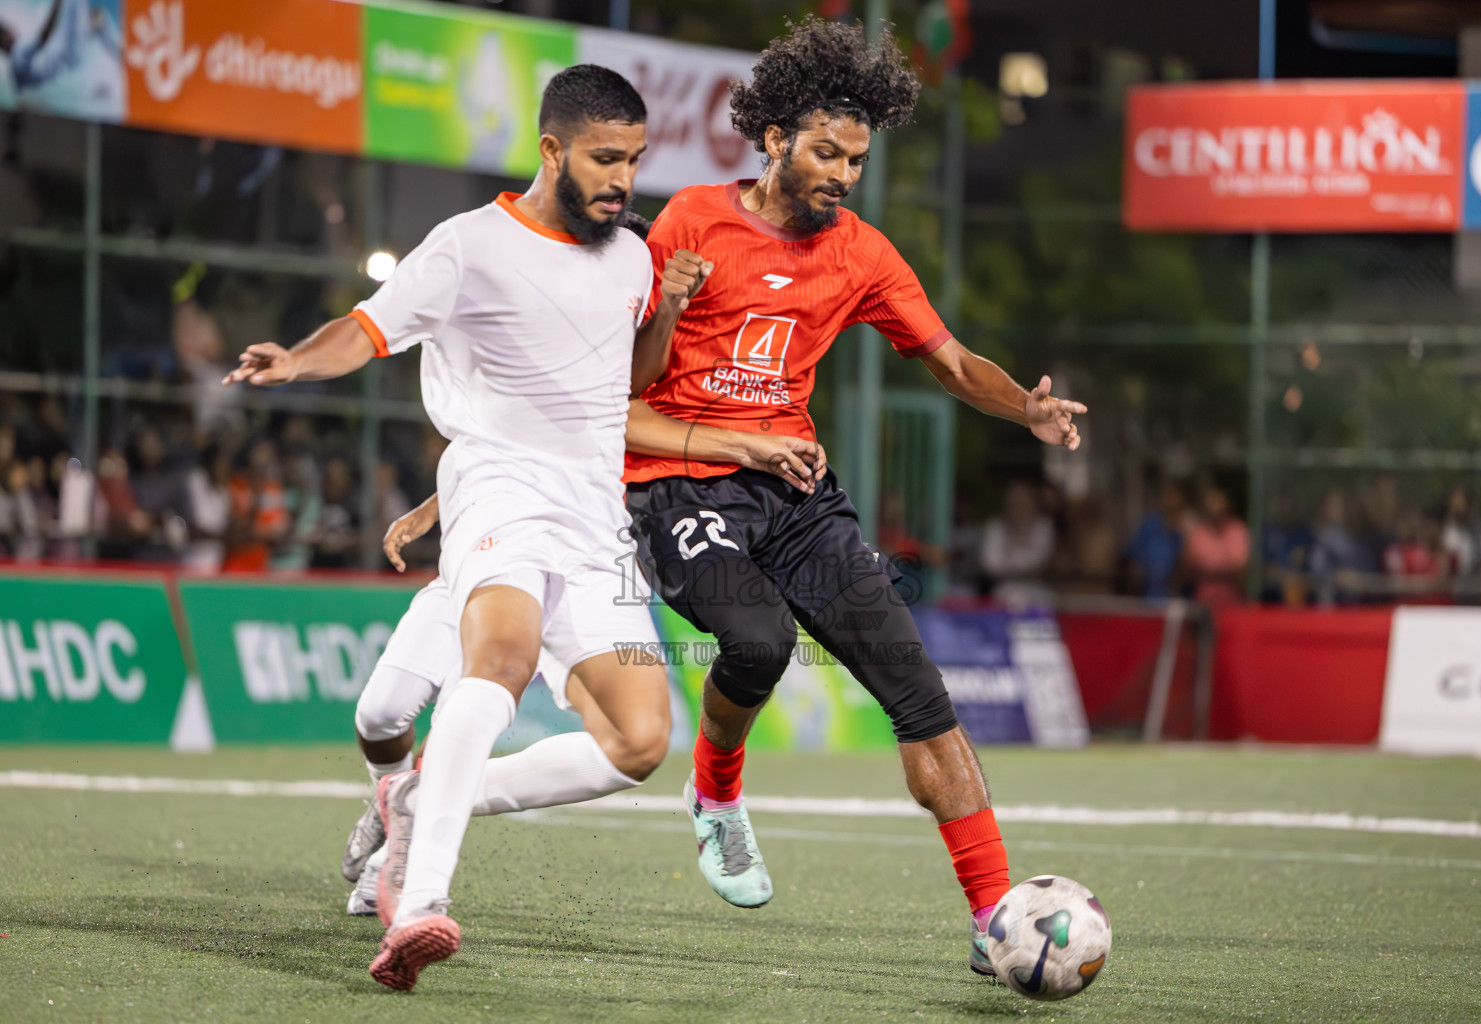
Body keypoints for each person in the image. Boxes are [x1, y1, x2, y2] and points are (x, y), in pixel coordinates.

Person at [224, 65, 709, 992]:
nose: (623, 179)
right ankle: (420, 904)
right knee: (500, 661)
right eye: (606, 159)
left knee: (639, 744)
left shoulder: (636, 257)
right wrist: (293, 361)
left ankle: (414, 798)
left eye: (636, 162)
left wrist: (672, 308)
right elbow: (366, 329)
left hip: (594, 514)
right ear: (552, 151)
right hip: (498, 486)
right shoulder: (469, 245)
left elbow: (629, 382)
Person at [621, 17, 1083, 977]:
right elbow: (626, 388)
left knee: (921, 697)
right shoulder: (690, 222)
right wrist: (668, 303)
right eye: (827, 152)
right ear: (776, 138)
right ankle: (715, 795)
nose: (843, 173)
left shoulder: (861, 252)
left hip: (798, 495)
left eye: (858, 158)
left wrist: (1023, 412)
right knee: (758, 643)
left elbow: (950, 360)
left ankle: (994, 914)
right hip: (679, 482)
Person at [339, 406, 830, 918]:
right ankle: (396, 806)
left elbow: (609, 431)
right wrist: (436, 507)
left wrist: (746, 443)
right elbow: (512, 432)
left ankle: (404, 852)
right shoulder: (524, 362)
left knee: (620, 740)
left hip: (584, 571)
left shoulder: (635, 371)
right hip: (492, 555)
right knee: (381, 712)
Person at [979, 479, 1056, 608]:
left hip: (1038, 589)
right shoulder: (996, 526)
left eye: (1023, 503)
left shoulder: (1044, 526)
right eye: (1014, 503)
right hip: (1003, 588)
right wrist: (1021, 565)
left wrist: (1008, 562)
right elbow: (990, 564)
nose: (1018, 507)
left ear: (1032, 503)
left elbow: (1040, 560)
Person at [1181, 484, 1249, 605]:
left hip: (1232, 603)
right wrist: (1221, 569)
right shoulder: (1198, 530)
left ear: (1227, 504)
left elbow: (1238, 570)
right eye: (1211, 501)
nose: (1214, 507)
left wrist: (1206, 569)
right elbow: (1189, 571)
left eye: (1217, 500)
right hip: (1202, 603)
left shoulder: (1238, 530)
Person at [1126, 481, 1186, 599]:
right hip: (1147, 593)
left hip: (1171, 594)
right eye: (1168, 496)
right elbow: (1134, 558)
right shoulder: (1149, 525)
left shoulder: (1180, 531)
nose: (1171, 501)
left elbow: (1182, 565)